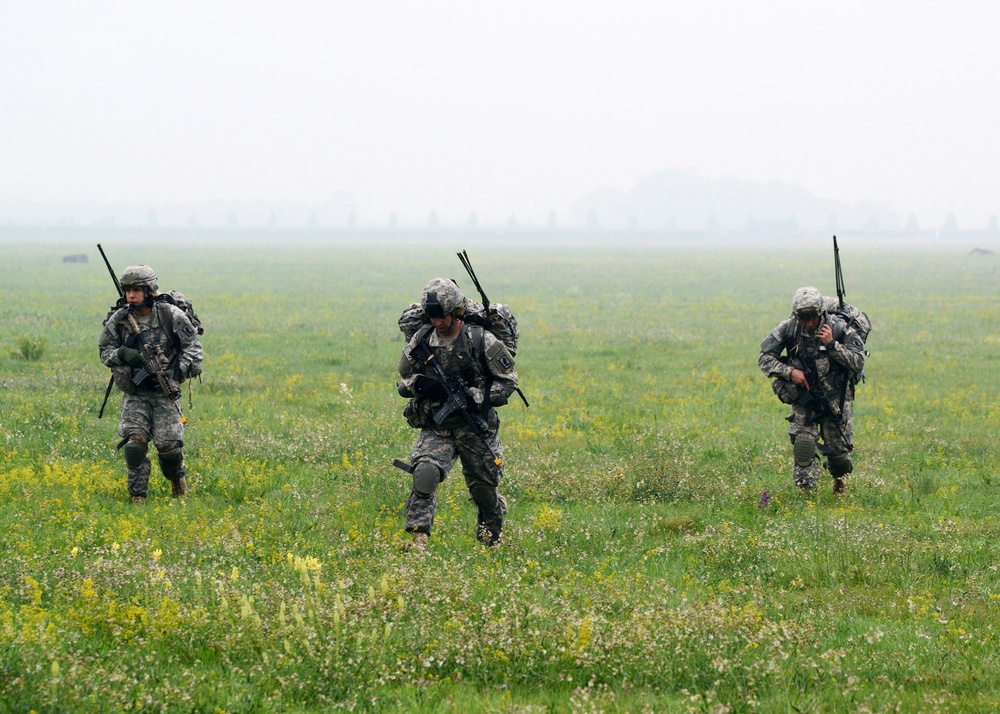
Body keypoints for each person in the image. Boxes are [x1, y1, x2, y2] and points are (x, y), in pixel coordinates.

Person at [396, 278, 518, 549]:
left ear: (456, 312)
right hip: (437, 423)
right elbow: (403, 379)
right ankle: (418, 539)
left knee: (484, 491)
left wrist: (476, 396)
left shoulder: (480, 339)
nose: (438, 323)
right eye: (433, 317)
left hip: (475, 426)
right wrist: (419, 385)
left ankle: (491, 540)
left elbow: (508, 382)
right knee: (425, 473)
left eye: (443, 317)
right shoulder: (423, 338)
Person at [99, 265, 203, 503]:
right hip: (136, 393)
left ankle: (178, 482)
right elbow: (104, 350)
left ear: (149, 290)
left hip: (165, 393)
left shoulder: (169, 315)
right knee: (135, 446)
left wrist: (176, 370)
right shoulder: (121, 319)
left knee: (169, 448)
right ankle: (138, 497)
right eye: (127, 291)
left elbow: (194, 348)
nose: (131, 296)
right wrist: (123, 354)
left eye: (136, 290)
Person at [759, 286, 866, 494]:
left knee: (839, 456)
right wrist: (790, 373)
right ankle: (806, 495)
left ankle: (840, 486)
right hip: (804, 397)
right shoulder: (789, 328)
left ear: (821, 313)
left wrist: (832, 345)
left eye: (813, 318)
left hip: (835, 398)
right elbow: (764, 358)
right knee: (804, 445)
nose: (808, 323)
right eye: (803, 318)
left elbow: (858, 362)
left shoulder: (839, 329)